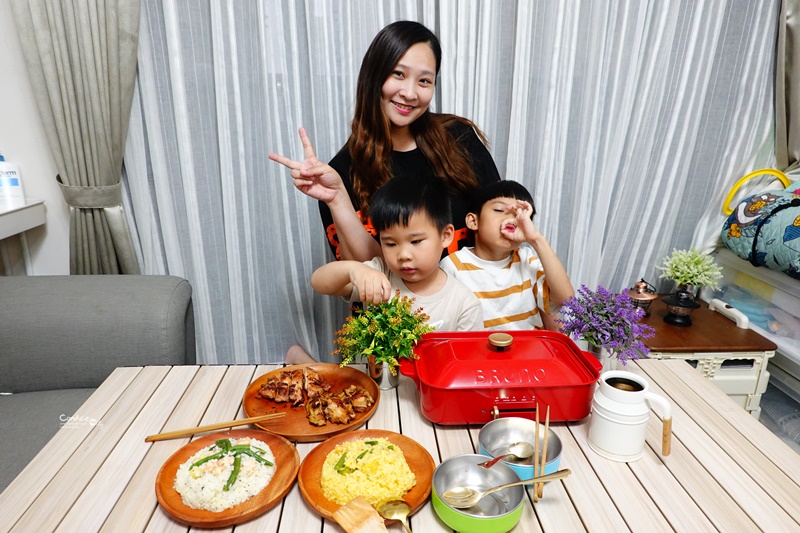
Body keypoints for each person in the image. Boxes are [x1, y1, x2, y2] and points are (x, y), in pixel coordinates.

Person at [269, 20, 501, 361]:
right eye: (398, 74)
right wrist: (337, 198)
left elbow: (498, 225)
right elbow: (370, 270)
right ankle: (308, 366)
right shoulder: (340, 171)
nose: (410, 92)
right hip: (391, 336)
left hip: (466, 322)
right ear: (374, 76)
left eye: (424, 80)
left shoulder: (461, 141)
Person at [311, 176, 483, 339]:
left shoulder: (464, 304)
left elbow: (464, 364)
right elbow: (319, 282)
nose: (403, 255)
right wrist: (353, 269)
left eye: (415, 241)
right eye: (391, 244)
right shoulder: (380, 274)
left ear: (445, 236)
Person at [440, 180, 574, 331]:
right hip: (476, 352)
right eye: (499, 210)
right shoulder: (452, 266)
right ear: (473, 221)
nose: (511, 220)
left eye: (519, 215)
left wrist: (536, 239)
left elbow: (566, 299)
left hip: (529, 350)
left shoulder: (526, 259)